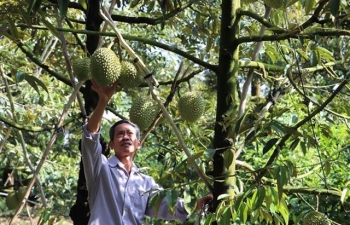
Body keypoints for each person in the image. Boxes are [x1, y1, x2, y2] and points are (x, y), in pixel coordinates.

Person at [81, 80, 213, 225]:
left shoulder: (145, 182)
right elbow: (90, 136)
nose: (125, 137)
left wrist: (196, 204)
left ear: (138, 144)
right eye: (120, 134)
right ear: (111, 144)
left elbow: (167, 206)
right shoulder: (100, 168)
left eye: (130, 134)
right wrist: (103, 102)